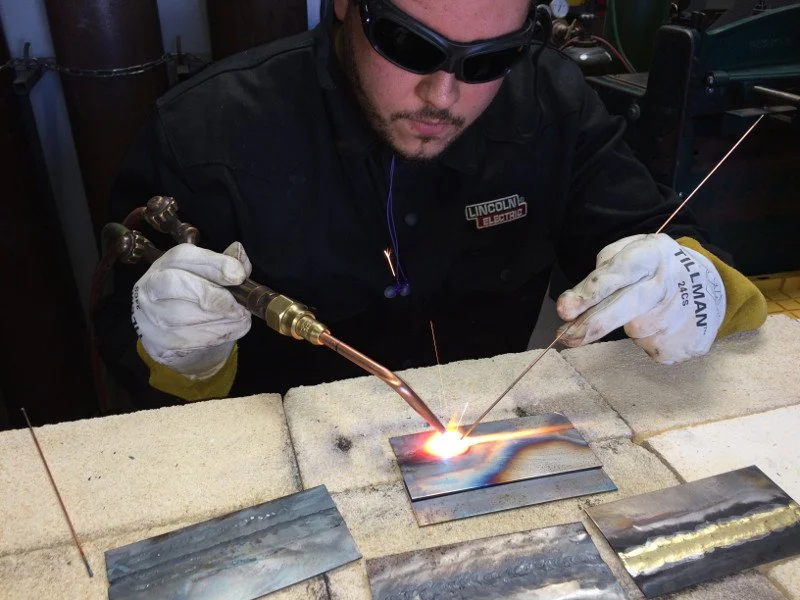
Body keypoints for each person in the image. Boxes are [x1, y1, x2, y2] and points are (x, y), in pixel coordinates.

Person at [97, 0, 766, 408]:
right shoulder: (205, 132)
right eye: (411, 45)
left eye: (488, 58)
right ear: (346, 5)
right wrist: (178, 354)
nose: (443, 96)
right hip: (284, 462)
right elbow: (126, 348)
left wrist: (693, 284)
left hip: (485, 444)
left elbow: (662, 240)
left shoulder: (548, 103)